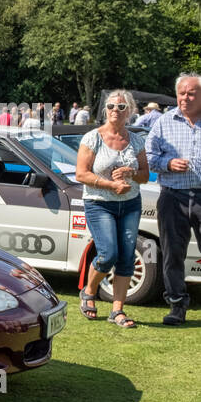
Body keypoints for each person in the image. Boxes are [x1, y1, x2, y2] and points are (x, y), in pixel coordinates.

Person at [75, 90, 149, 328]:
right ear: (104, 109)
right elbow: (81, 174)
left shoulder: (136, 140)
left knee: (127, 257)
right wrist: (109, 184)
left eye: (120, 107)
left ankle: (117, 311)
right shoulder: (92, 138)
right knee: (108, 254)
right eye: (110, 106)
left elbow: (145, 176)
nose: (114, 111)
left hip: (130, 204)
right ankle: (89, 291)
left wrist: (130, 173)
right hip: (99, 204)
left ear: (129, 111)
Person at [145, 73, 201, 325]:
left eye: (191, 93)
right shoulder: (164, 122)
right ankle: (177, 306)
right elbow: (147, 157)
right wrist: (167, 163)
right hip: (172, 196)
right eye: (182, 93)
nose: (185, 98)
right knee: (172, 254)